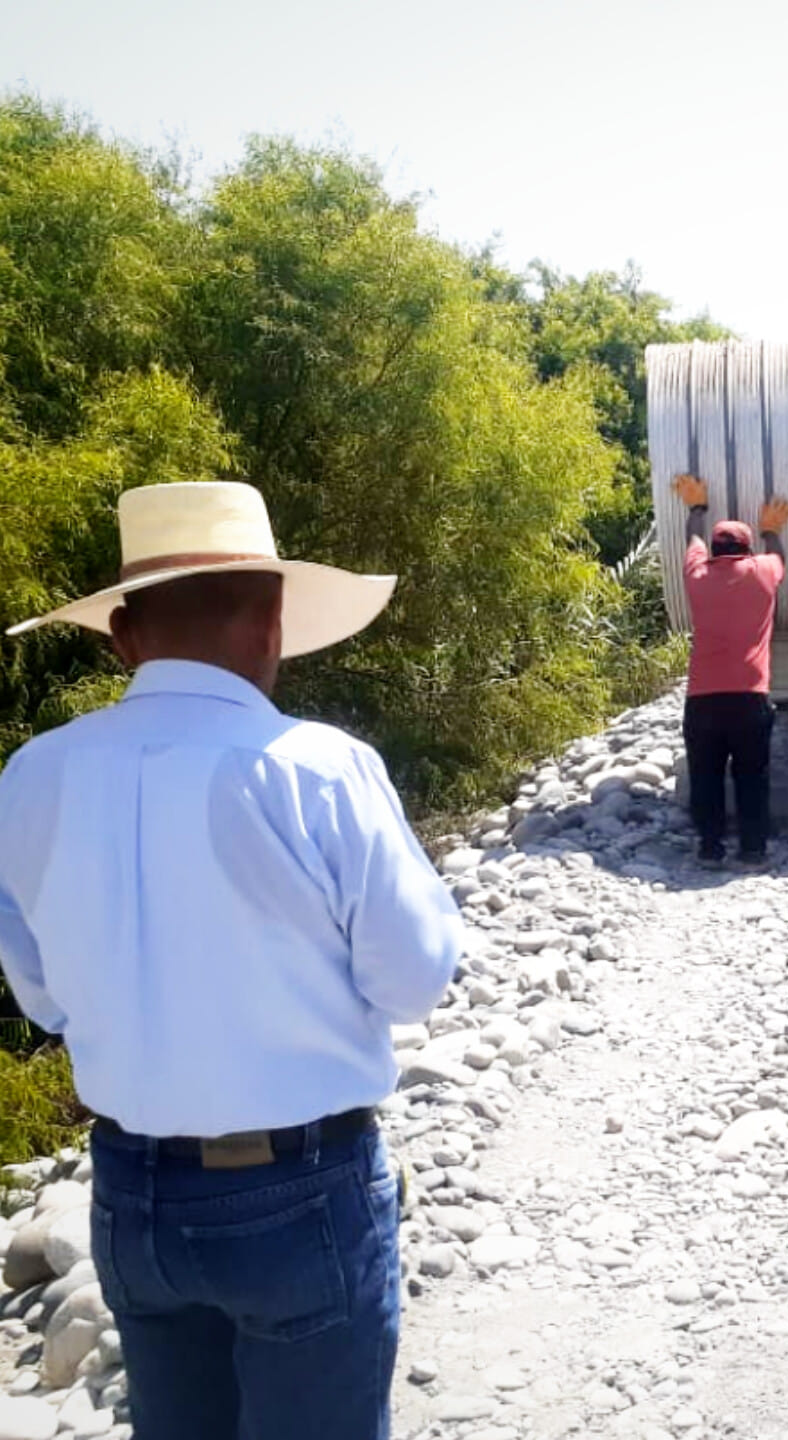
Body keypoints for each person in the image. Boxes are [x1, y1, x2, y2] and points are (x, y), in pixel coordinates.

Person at [0, 480, 465, 1440]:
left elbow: (42, 999)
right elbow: (416, 980)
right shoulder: (322, 768)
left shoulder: (33, 775)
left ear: (122, 637)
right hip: (303, 1191)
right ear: (275, 625)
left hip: (133, 1195)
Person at [674, 473, 788, 870]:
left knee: (705, 776)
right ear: (747, 549)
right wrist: (771, 530)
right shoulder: (762, 572)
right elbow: (779, 556)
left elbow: (692, 538)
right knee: (751, 775)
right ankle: (753, 849)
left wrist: (697, 507)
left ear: (715, 550)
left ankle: (710, 848)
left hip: (703, 698)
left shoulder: (697, 575)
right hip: (749, 696)